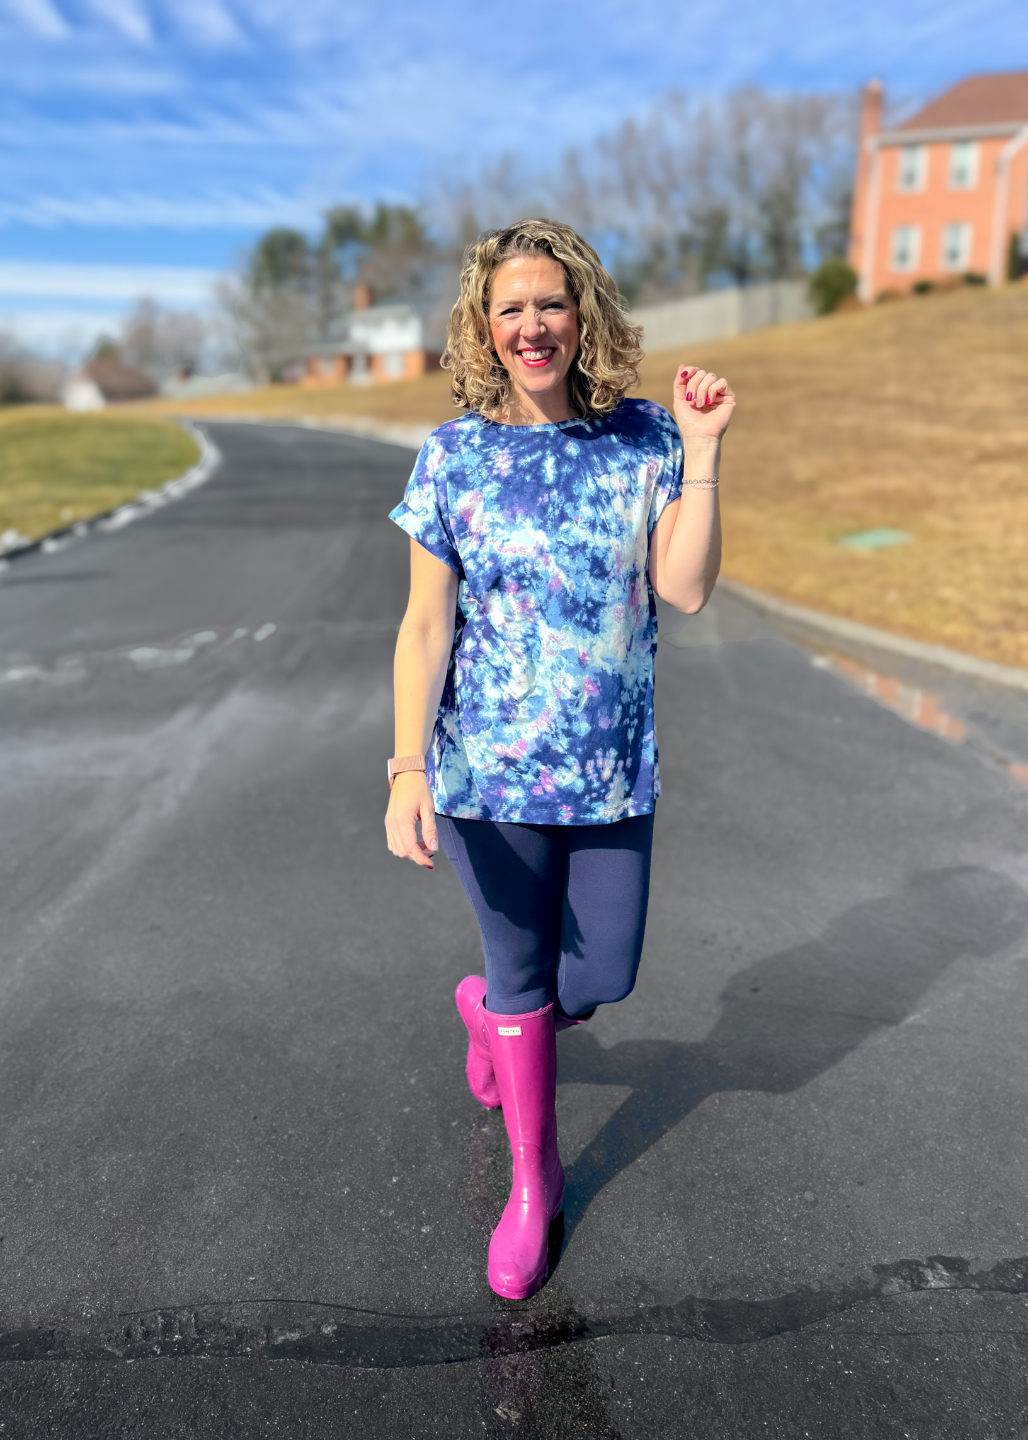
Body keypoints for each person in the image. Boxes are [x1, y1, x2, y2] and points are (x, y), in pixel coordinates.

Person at [385, 218, 734, 1300]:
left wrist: (703, 452)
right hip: (486, 772)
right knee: (526, 974)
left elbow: (683, 590)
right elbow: (424, 626)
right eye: (510, 308)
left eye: (550, 302)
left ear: (583, 313)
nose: (532, 325)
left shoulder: (642, 439)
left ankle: (493, 1017)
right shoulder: (453, 456)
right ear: (482, 327)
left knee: (600, 976)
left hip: (608, 771)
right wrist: (406, 768)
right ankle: (534, 1184)